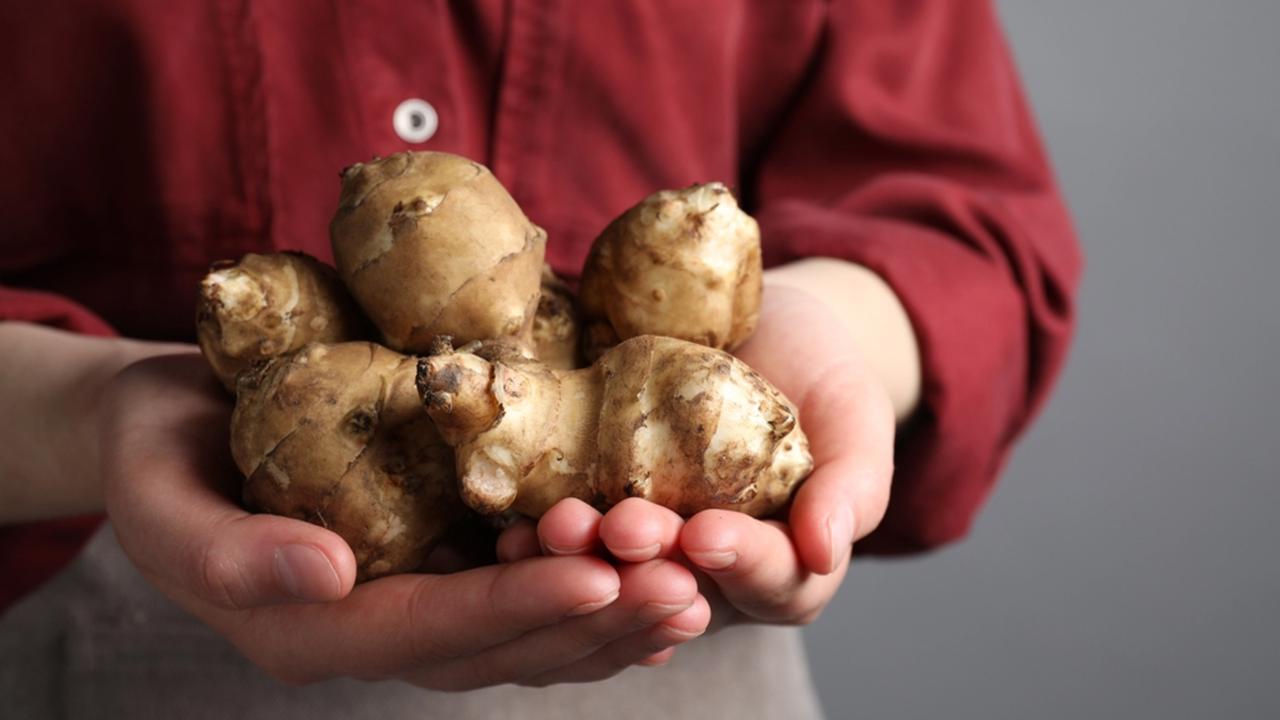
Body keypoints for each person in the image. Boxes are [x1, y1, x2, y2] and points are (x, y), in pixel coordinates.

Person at [0, 1, 1079, 717]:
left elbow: (966, 229)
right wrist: (96, 414)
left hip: (674, 623)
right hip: (98, 609)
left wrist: (827, 328)